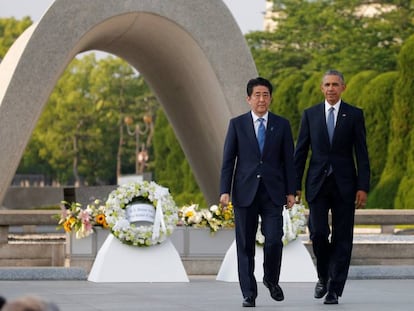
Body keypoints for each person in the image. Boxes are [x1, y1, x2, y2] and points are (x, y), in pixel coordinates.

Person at [294, 69, 370, 305]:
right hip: (317, 183)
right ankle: (323, 275)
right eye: (327, 85)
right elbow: (301, 153)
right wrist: (294, 186)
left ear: (343, 88)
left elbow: (362, 154)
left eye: (335, 84)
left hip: (345, 185)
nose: (330, 89)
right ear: (321, 88)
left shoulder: (354, 115)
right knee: (317, 232)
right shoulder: (311, 115)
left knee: (342, 237)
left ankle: (335, 289)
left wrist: (363, 186)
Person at [219, 77, 296, 307]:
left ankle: (271, 279)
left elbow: (288, 161)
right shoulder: (237, 124)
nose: (261, 99)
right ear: (248, 99)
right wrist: (224, 190)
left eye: (265, 95)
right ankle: (248, 293)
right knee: (245, 245)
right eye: (257, 95)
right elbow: (228, 160)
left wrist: (291, 191)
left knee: (274, 240)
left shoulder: (282, 125)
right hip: (244, 192)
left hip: (273, 193)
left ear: (270, 98)